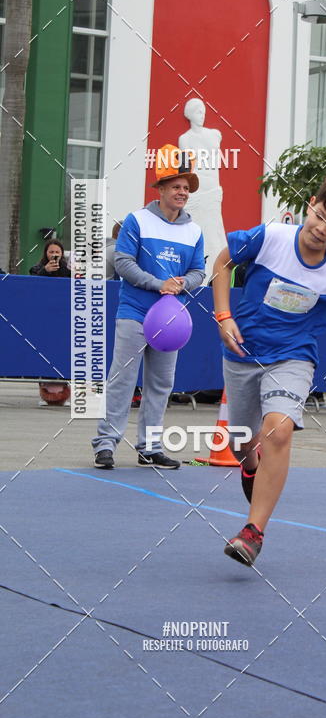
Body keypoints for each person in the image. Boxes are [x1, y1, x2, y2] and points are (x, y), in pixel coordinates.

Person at [213, 170, 326, 567]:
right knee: (241, 444)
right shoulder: (270, 237)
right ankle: (251, 468)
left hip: (293, 358)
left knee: (278, 429)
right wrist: (223, 316)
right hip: (242, 354)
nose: (321, 229)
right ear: (310, 205)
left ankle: (252, 533)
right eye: (320, 216)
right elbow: (222, 262)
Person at [91, 150, 204, 469]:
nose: (182, 192)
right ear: (161, 188)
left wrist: (185, 283)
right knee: (122, 379)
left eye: (186, 187)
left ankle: (150, 447)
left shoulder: (194, 231)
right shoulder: (136, 220)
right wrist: (159, 283)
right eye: (176, 186)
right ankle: (105, 444)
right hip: (135, 313)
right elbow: (123, 262)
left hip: (171, 320)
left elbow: (199, 271)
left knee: (161, 384)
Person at [178, 97, 227, 280]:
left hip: (213, 191)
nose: (202, 115)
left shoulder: (215, 134)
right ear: (189, 114)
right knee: (196, 231)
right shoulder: (185, 138)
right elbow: (186, 165)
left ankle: (219, 274)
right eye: (198, 111)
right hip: (197, 193)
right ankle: (197, 272)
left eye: (204, 112)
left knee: (215, 232)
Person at [29, 239, 71, 405]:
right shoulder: (36, 269)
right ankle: (45, 390)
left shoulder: (67, 269)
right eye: (51, 252)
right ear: (45, 254)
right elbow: (32, 285)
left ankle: (64, 389)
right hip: (44, 318)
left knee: (63, 352)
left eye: (57, 252)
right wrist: (45, 271)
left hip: (63, 317)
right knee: (45, 353)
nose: (54, 255)